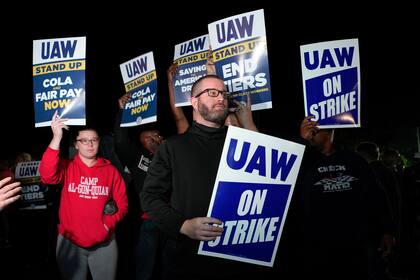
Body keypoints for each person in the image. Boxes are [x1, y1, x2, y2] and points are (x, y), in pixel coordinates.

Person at [140, 74, 266, 280]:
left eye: (224, 93)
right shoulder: (173, 147)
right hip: (188, 262)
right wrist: (183, 226)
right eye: (212, 93)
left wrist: (250, 128)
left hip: (240, 259)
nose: (221, 98)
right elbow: (150, 198)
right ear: (194, 102)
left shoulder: (243, 143)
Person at [296, 116, 394, 280]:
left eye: (314, 132)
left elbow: (376, 195)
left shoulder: (354, 160)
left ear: (328, 133)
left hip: (354, 244)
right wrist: (302, 142)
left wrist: (387, 231)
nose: (310, 136)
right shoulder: (305, 161)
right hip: (316, 245)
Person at [39, 111, 128, 280]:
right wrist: (57, 137)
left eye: (94, 140)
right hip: (70, 243)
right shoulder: (67, 167)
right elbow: (47, 176)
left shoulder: (111, 171)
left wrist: (107, 225)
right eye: (84, 140)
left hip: (104, 245)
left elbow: (122, 205)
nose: (90, 144)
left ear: (99, 143)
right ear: (76, 145)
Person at [114, 93, 165, 280]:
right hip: (149, 220)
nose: (151, 139)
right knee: (145, 265)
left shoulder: (171, 153)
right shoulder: (138, 158)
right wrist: (122, 112)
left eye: (154, 136)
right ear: (142, 144)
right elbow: (120, 141)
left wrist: (166, 149)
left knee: (172, 264)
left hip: (174, 219)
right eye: (146, 138)